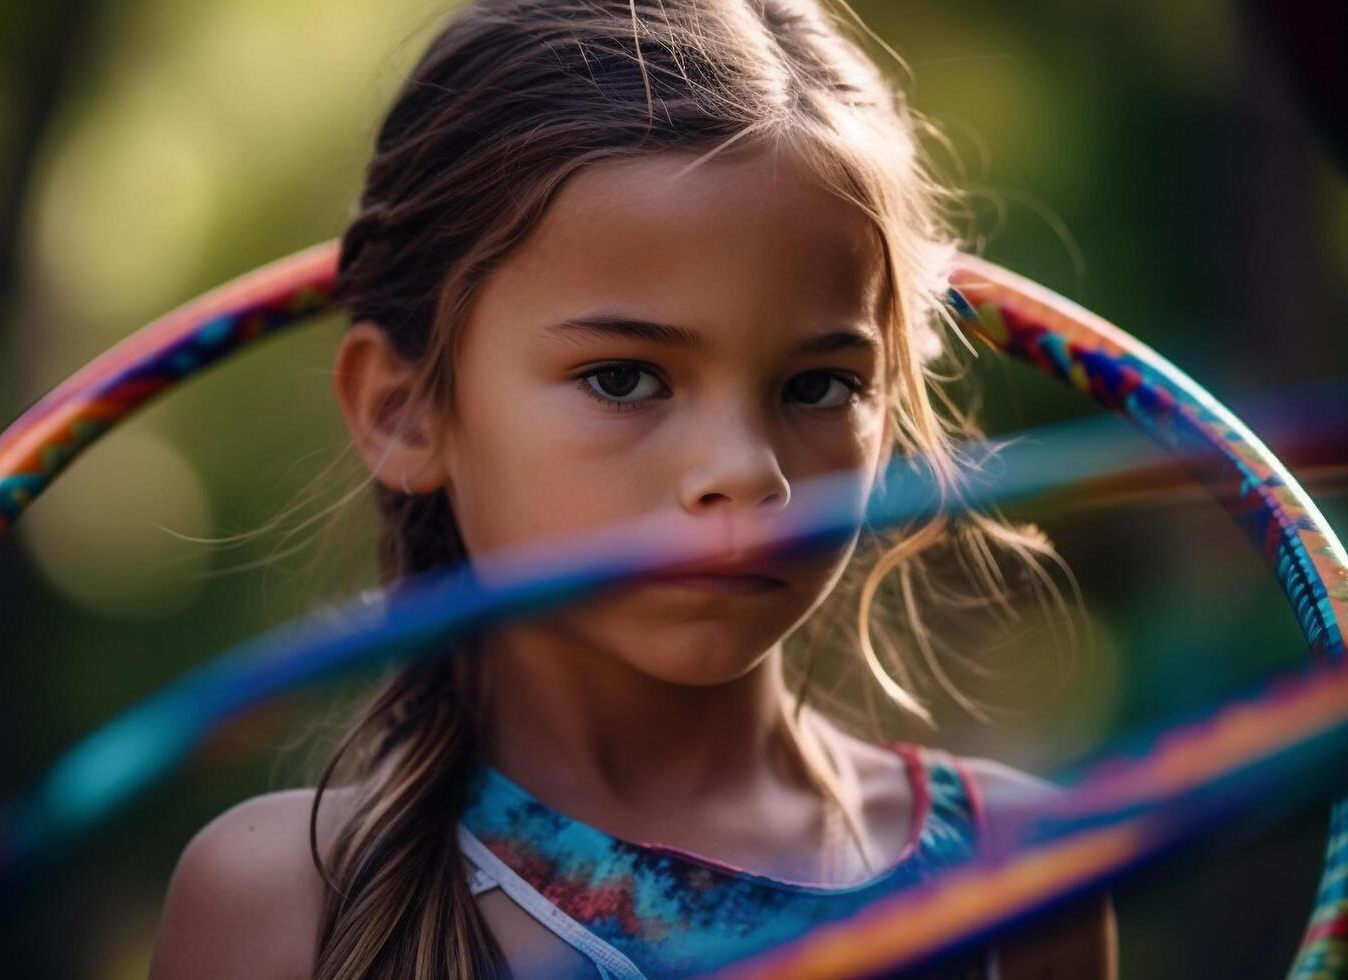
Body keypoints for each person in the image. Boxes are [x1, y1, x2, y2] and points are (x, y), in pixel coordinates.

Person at [151, 0, 1118, 976]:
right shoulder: (288, 899)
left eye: (816, 384)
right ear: (405, 410)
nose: (746, 468)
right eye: (623, 377)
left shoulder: (1019, 871)